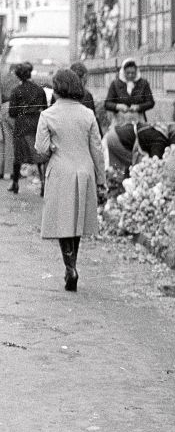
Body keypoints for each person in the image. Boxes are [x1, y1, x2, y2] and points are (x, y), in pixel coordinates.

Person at [33, 69, 107, 292]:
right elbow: (97, 149)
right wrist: (101, 179)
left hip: (60, 171)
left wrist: (53, 147)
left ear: (56, 89)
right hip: (84, 171)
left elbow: (41, 149)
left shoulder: (48, 115)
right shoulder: (87, 114)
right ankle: (73, 263)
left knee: (63, 221)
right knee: (77, 220)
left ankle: (70, 267)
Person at [7, 62, 48, 195]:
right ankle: (43, 183)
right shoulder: (39, 89)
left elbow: (12, 113)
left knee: (18, 155)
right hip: (36, 123)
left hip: (21, 125)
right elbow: (45, 108)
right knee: (39, 155)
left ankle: (15, 183)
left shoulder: (16, 91)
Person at [103, 121, 175, 175]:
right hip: (116, 140)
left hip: (114, 133)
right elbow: (155, 164)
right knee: (135, 170)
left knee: (129, 170)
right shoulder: (160, 141)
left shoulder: (162, 129)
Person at [103, 58, 154, 127]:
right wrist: (118, 106)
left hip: (138, 120)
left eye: (133, 73)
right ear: (123, 72)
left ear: (136, 72)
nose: (130, 75)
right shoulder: (115, 84)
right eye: (128, 73)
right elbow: (107, 104)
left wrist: (139, 107)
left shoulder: (143, 83)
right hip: (120, 121)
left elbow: (150, 102)